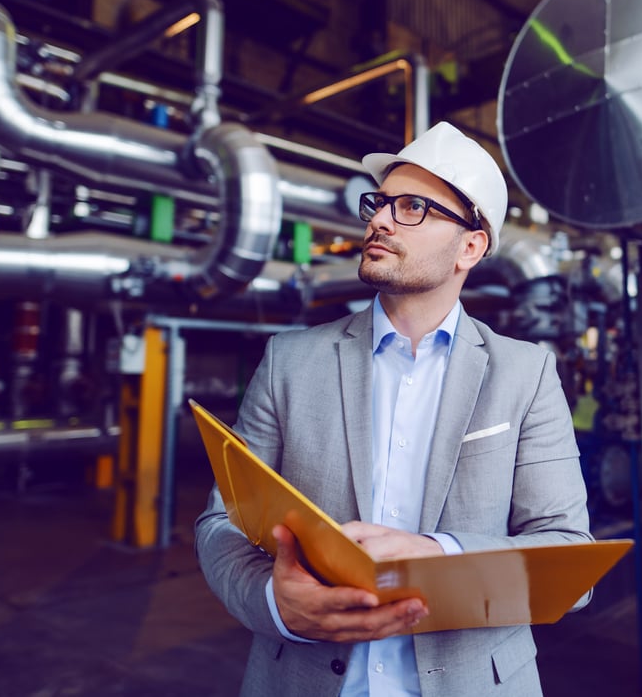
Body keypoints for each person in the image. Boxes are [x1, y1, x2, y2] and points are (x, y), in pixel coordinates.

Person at [195, 121, 592, 697]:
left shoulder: (524, 375)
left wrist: (439, 555)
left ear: (471, 247)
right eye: (379, 204)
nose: (379, 219)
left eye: (411, 207)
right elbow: (222, 523)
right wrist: (274, 603)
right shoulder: (289, 361)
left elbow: (568, 555)